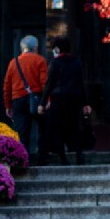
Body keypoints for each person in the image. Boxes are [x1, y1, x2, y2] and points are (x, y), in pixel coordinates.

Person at [38, 38, 90, 166]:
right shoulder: (76, 62)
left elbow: (49, 84)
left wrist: (42, 102)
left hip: (58, 99)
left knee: (57, 129)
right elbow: (81, 84)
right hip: (74, 99)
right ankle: (79, 155)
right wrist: (85, 103)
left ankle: (63, 158)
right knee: (74, 128)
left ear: (57, 48)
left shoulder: (55, 63)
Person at [2, 35, 49, 157]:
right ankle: (42, 157)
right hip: (36, 98)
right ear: (36, 47)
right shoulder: (40, 60)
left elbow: (7, 85)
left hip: (18, 100)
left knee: (21, 131)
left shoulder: (13, 63)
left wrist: (8, 105)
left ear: (22, 47)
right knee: (42, 129)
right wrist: (47, 99)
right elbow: (44, 82)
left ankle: (23, 158)